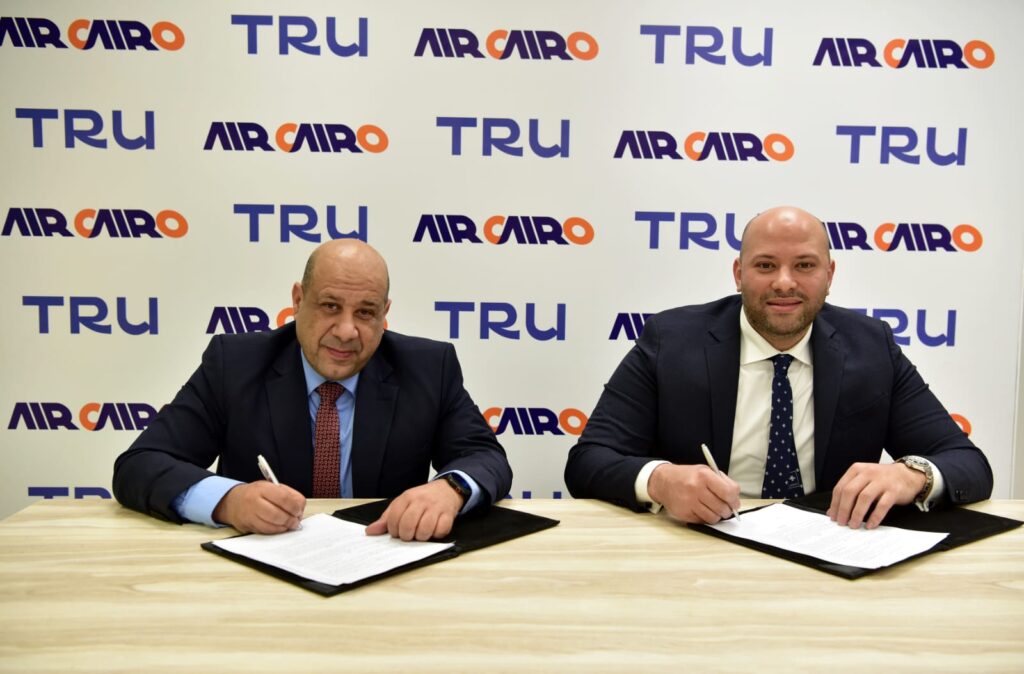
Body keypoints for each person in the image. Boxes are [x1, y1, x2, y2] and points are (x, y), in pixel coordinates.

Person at [564, 205, 992, 529]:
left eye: (804, 265)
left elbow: (967, 464)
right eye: (766, 265)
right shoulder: (671, 340)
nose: (784, 282)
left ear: (829, 274)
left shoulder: (871, 346)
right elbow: (587, 461)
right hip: (702, 543)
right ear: (739, 274)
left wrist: (910, 476)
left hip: (829, 544)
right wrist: (660, 480)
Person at [114, 239, 512, 541]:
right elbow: (141, 464)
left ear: (384, 314)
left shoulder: (428, 367)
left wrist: (450, 489)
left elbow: (484, 456)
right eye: (330, 306)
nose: (347, 331)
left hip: (382, 565)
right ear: (298, 300)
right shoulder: (234, 364)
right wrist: (228, 501)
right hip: (256, 575)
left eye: (365, 313)